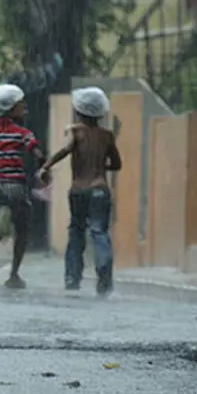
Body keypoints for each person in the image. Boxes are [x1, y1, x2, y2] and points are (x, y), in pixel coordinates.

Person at [38, 87, 121, 297]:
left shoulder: (75, 131)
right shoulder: (107, 136)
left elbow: (65, 150)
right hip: (100, 190)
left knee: (76, 232)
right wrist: (101, 168)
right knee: (99, 232)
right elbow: (117, 164)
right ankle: (104, 277)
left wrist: (46, 167)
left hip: (78, 191)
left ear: (79, 111)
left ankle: (72, 277)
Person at [0, 84, 47, 289]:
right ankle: (14, 274)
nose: (25, 109)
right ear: (11, 109)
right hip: (16, 186)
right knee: (22, 230)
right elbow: (38, 154)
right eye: (21, 106)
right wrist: (42, 170)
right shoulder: (24, 133)